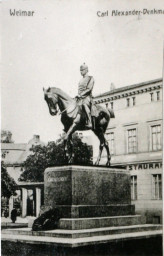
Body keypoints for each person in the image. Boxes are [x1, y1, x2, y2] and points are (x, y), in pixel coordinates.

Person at [76, 63, 95, 129]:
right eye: (80, 70)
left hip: (87, 97)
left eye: (82, 70)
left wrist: (81, 95)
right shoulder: (80, 80)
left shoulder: (90, 78)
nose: (81, 72)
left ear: (86, 70)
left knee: (84, 104)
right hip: (80, 97)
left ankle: (89, 122)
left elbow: (89, 89)